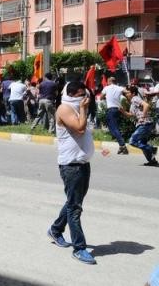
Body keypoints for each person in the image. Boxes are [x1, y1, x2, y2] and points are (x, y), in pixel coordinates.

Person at [47, 81, 96, 265]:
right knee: (75, 208)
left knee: (72, 202)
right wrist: (84, 109)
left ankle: (55, 229)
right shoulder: (65, 109)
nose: (85, 98)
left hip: (82, 164)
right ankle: (79, 248)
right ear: (71, 94)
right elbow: (80, 128)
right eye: (81, 94)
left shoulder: (76, 107)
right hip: (71, 166)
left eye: (86, 94)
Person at [122, 86, 158, 166]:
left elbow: (146, 105)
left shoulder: (135, 98)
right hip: (145, 124)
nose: (126, 94)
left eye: (128, 92)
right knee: (142, 143)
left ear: (133, 93)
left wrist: (143, 117)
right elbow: (131, 115)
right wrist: (123, 111)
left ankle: (151, 149)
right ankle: (152, 161)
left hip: (145, 124)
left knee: (132, 141)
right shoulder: (133, 102)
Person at [101, 77, 128, 154]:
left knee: (113, 129)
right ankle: (121, 147)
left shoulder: (106, 88)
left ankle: (122, 145)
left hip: (111, 110)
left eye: (107, 81)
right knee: (116, 128)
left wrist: (106, 97)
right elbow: (127, 92)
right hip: (118, 109)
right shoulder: (119, 88)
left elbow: (101, 97)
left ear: (109, 81)